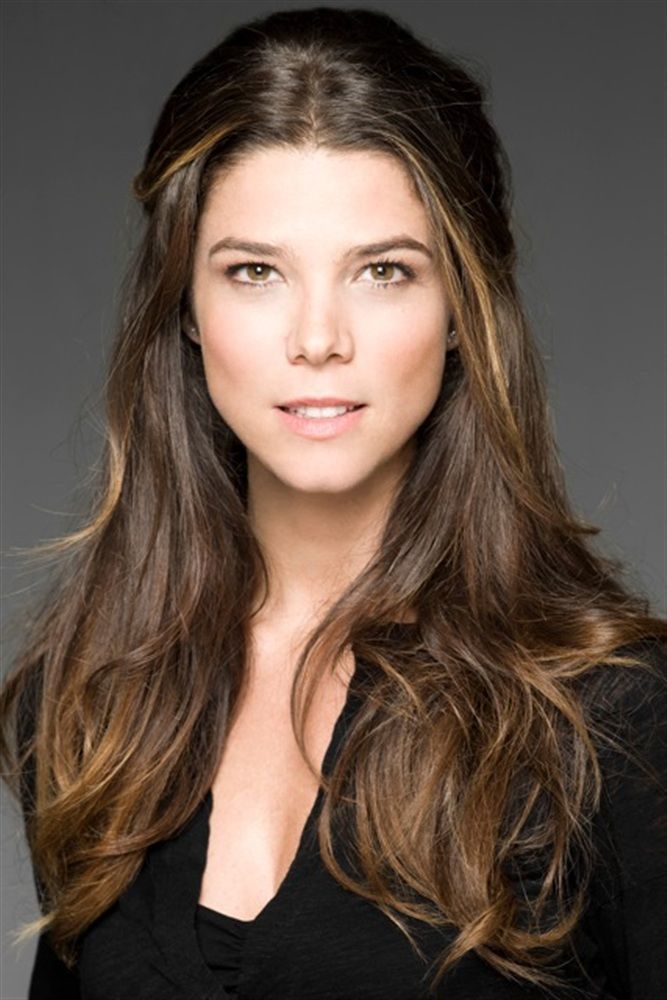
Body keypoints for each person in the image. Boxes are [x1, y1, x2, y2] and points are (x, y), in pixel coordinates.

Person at [1, 6, 666, 999]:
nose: (318, 339)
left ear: (459, 309)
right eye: (255, 272)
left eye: (383, 271)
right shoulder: (90, 704)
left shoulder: (607, 717)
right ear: (186, 307)